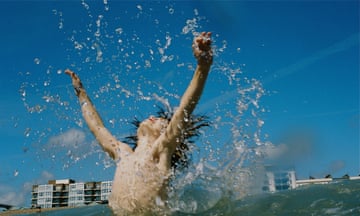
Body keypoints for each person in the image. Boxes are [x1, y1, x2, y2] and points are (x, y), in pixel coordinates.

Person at [65, 32, 213, 214]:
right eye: (156, 117)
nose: (153, 117)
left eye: (161, 121)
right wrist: (81, 94)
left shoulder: (161, 151)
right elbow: (98, 128)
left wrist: (202, 67)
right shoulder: (123, 153)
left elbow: (184, 109)